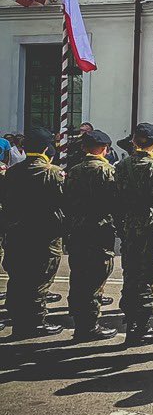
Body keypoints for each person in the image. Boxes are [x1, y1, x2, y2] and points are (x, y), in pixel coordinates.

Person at [2, 126, 66, 338]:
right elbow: (64, 203)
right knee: (39, 281)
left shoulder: (12, 172)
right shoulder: (53, 173)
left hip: (17, 234)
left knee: (19, 278)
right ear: (48, 150)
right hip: (44, 235)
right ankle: (35, 322)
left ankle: (19, 321)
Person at [114, 122, 153, 346]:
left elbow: (116, 198)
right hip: (151, 226)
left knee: (131, 274)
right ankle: (141, 328)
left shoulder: (121, 165)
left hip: (130, 225)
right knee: (149, 277)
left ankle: (130, 322)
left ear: (134, 141)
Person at [63, 129, 120, 342]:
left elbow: (66, 200)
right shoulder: (108, 171)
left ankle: (79, 322)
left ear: (84, 148)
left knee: (78, 275)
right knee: (96, 278)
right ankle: (89, 326)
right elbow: (116, 201)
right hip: (99, 230)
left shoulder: (74, 171)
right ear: (105, 149)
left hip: (78, 229)